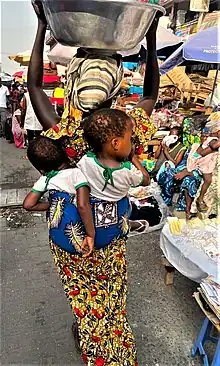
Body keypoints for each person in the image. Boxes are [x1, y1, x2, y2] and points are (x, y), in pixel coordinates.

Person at [23, 135, 95, 257]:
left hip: (61, 242)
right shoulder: (77, 174)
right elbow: (83, 205)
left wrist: (53, 205)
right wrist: (90, 234)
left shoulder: (46, 178)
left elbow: (28, 204)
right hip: (83, 235)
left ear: (40, 169)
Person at [187, 128, 219, 212]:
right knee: (208, 180)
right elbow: (204, 152)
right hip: (207, 165)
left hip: (211, 165)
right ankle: (200, 199)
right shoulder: (213, 140)